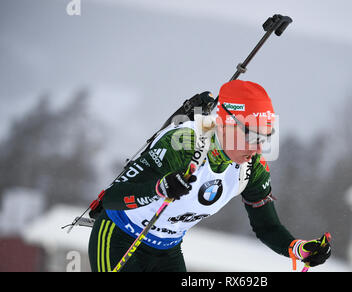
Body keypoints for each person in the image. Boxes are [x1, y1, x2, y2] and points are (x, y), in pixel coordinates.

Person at [88, 80, 331, 272]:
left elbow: (267, 226)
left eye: (265, 139)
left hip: (167, 251)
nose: (258, 149)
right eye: (252, 136)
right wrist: (159, 189)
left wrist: (298, 250)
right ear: (227, 124)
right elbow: (112, 198)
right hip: (120, 237)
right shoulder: (183, 143)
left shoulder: (252, 167)